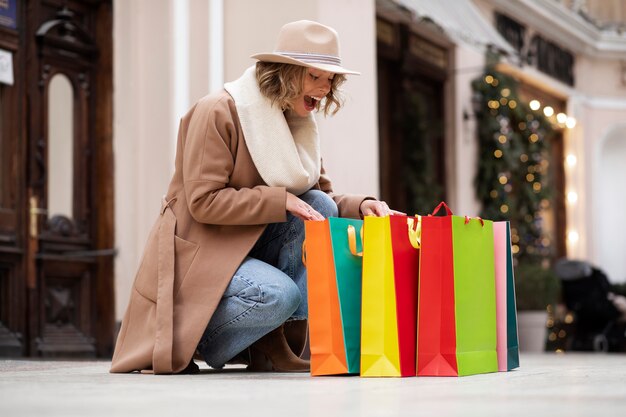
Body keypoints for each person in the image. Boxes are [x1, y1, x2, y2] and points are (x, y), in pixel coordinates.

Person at [110, 20, 399, 375]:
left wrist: (362, 205)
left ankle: (269, 346)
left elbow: (319, 197)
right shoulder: (218, 111)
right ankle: (195, 338)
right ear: (286, 73)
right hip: (207, 253)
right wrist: (280, 201)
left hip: (252, 246)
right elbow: (204, 201)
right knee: (279, 295)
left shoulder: (298, 124)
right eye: (315, 77)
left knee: (319, 207)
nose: (324, 89)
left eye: (331, 80)